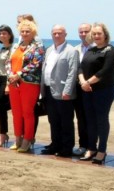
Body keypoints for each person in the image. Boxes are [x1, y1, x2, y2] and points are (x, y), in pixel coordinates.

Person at [78, 23, 114, 165]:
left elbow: (105, 71)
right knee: (90, 120)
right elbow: (80, 68)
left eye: (99, 34)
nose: (96, 36)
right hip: (87, 90)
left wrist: (88, 82)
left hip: (104, 90)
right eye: (94, 34)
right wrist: (83, 82)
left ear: (105, 34)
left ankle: (102, 150)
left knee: (101, 119)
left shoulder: (111, 50)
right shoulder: (91, 50)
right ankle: (91, 148)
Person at [40, 25, 78, 158]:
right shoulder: (50, 50)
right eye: (54, 33)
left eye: (59, 33)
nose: (57, 36)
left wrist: (67, 91)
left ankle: (67, 148)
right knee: (53, 120)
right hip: (49, 89)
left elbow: (72, 73)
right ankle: (55, 144)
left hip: (63, 92)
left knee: (66, 121)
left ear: (65, 35)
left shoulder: (71, 51)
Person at [7, 19, 45, 153]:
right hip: (13, 83)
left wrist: (19, 74)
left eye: (27, 31)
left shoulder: (38, 47)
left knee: (27, 113)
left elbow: (35, 64)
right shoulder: (16, 46)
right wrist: (10, 76)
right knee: (16, 113)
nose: (24, 33)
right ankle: (17, 138)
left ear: (33, 32)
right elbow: (8, 62)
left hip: (29, 83)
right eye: (22, 31)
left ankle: (27, 140)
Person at [0, 25, 14, 147]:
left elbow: (11, 68)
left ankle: (2, 134)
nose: (2, 35)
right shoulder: (0, 49)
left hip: (6, 79)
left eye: (4, 33)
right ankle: (3, 133)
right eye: (0, 33)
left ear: (10, 35)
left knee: (1, 107)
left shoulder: (13, 49)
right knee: (0, 108)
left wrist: (7, 85)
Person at [73, 22, 93, 156]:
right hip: (78, 87)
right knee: (80, 117)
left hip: (93, 87)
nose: (83, 34)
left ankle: (92, 147)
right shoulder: (76, 49)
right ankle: (83, 145)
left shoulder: (97, 48)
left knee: (91, 118)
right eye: (81, 32)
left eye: (86, 31)